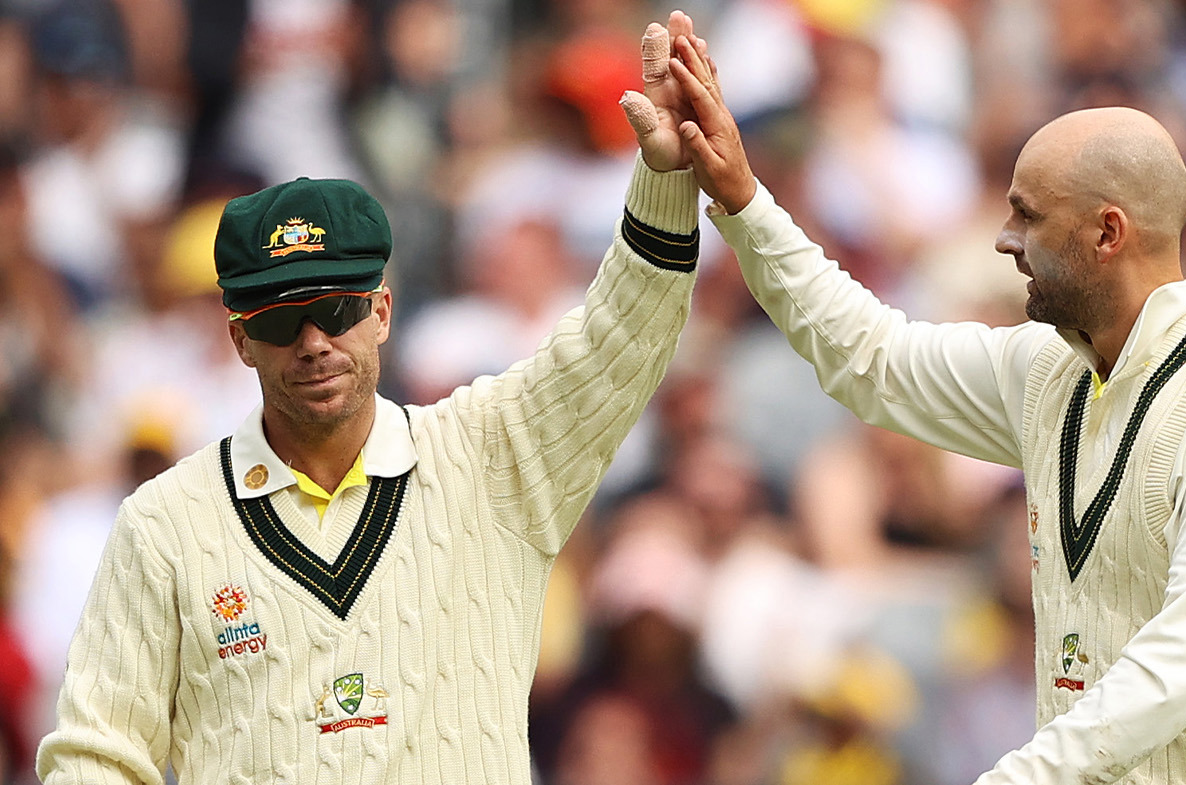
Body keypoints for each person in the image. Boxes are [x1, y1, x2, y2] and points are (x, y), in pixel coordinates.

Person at [635, 26, 1186, 784]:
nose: (1004, 239)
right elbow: (872, 359)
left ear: (1108, 232)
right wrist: (742, 198)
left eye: (1028, 215)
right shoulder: (1048, 369)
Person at [35, 13, 710, 784]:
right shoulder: (164, 527)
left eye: (338, 309)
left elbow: (620, 342)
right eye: (283, 319)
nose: (315, 340)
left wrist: (662, 180)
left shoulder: (489, 457)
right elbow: (96, 756)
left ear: (382, 311)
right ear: (240, 340)